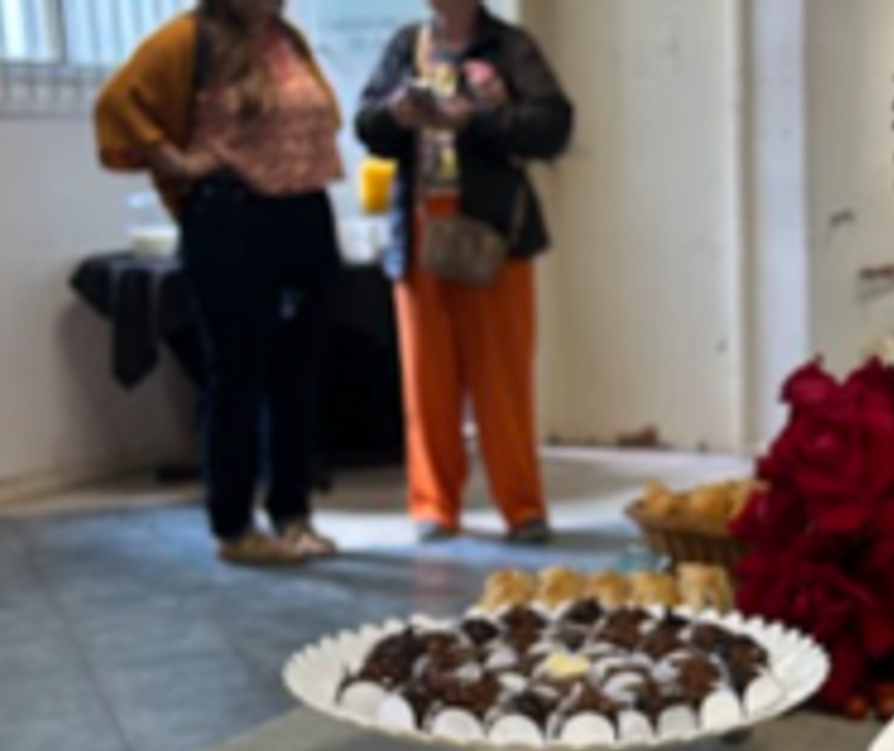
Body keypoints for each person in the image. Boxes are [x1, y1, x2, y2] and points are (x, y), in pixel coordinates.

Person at [95, 0, 344, 566]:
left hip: (303, 213)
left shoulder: (288, 39)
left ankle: (294, 513)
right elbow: (118, 103)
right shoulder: (189, 39)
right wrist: (177, 164)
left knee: (298, 376)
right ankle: (234, 524)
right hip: (233, 218)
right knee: (238, 374)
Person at [355, 0, 572, 545]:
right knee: (426, 382)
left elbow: (552, 125)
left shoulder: (511, 48)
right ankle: (433, 504)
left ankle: (522, 507)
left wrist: (476, 120)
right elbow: (367, 124)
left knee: (504, 382)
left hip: (495, 237)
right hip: (421, 233)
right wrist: (397, 114)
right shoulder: (407, 47)